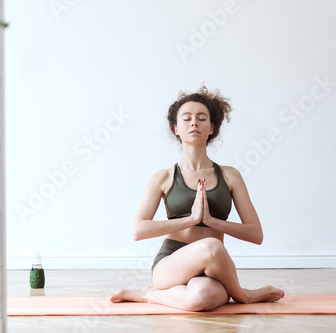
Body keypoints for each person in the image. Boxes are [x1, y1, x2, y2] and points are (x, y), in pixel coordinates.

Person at [110, 86, 284, 311]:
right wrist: (191, 220)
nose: (194, 123)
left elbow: (256, 234)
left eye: (202, 118)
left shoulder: (230, 176)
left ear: (212, 128)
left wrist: (212, 221)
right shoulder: (162, 177)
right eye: (187, 119)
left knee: (200, 298)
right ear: (176, 128)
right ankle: (243, 294)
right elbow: (138, 230)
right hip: (172, 262)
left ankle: (150, 294)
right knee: (210, 245)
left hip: (214, 265)